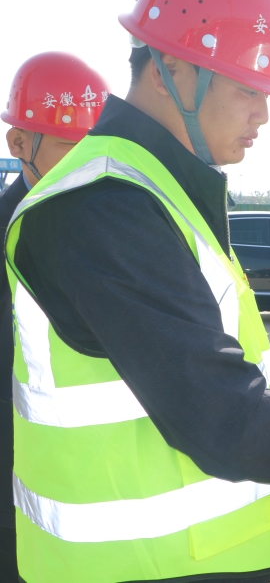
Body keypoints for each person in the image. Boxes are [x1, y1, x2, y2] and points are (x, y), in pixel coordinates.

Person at [5, 0, 270, 583]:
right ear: (171, 71)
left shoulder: (158, 191)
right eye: (247, 88)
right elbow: (217, 411)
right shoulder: (102, 205)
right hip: (131, 568)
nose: (263, 114)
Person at [0, 51, 111, 582]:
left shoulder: (114, 230)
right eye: (69, 145)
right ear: (19, 143)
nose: (87, 162)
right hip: (15, 502)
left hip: (98, 496)